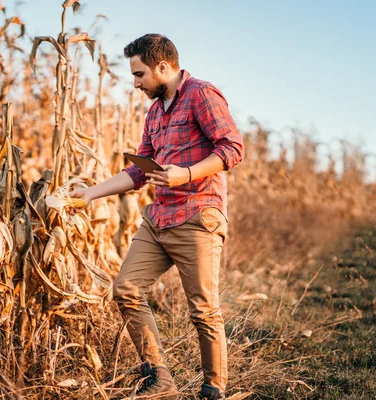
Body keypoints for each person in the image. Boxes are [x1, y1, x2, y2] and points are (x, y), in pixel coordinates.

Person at [70, 33, 244, 400]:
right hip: (159, 218)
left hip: (198, 215)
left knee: (203, 311)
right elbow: (138, 172)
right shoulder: (154, 112)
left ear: (163, 67)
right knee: (127, 289)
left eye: (139, 74)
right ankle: (161, 380)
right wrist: (90, 193)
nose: (135, 84)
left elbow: (232, 148)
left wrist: (187, 173)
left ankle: (214, 390)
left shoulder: (201, 94)